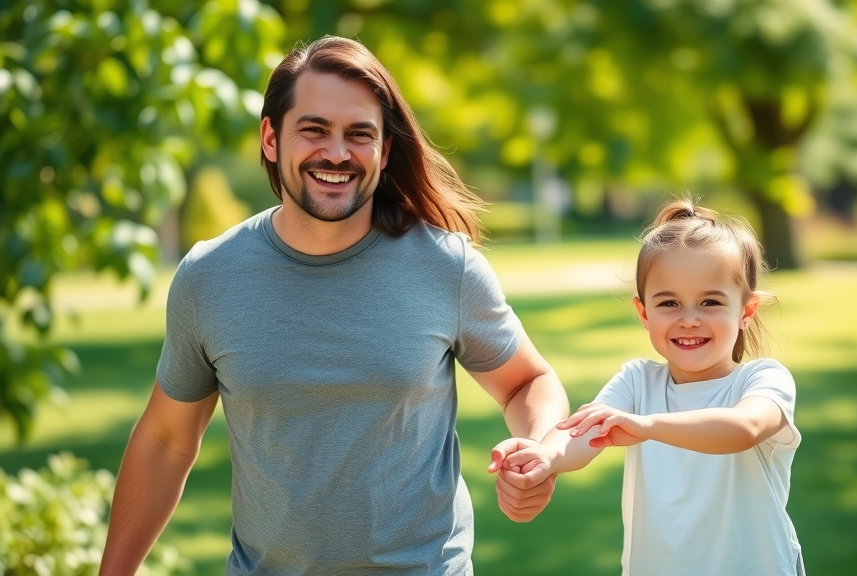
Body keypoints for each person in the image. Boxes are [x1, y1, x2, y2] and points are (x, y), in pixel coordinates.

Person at [99, 35, 568, 576]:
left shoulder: (446, 267)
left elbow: (527, 382)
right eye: (314, 129)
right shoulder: (210, 277)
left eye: (359, 134)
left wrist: (538, 452)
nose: (337, 153)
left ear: (384, 151)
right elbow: (165, 439)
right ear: (271, 139)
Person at [497, 199, 805, 575]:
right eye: (669, 303)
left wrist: (646, 426)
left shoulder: (762, 380)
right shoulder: (637, 381)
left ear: (746, 311)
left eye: (710, 302)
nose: (689, 319)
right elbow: (579, 435)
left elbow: (744, 429)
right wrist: (545, 457)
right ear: (644, 313)